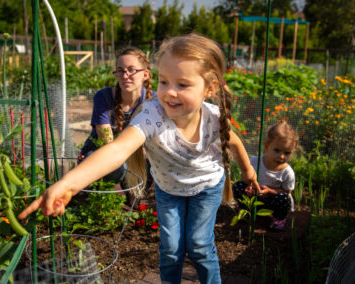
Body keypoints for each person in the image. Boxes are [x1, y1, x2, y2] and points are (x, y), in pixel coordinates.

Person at [19, 33, 260, 284]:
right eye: (164, 82)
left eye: (183, 84)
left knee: (199, 245)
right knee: (171, 250)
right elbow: (116, 150)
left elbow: (234, 143)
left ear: (209, 88)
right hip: (168, 189)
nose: (169, 92)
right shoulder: (152, 115)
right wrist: (67, 184)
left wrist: (248, 173)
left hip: (206, 187)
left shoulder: (213, 118)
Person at [78, 46, 155, 186]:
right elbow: (107, 143)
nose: (125, 76)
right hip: (100, 154)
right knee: (117, 168)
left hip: (138, 157)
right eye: (120, 70)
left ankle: (137, 201)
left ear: (145, 75)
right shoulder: (104, 98)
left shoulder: (154, 101)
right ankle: (104, 195)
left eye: (131, 70)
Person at [232, 121, 298, 231]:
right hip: (254, 198)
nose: (281, 156)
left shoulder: (287, 172)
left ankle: (278, 218)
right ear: (267, 146)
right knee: (238, 186)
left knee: (284, 199)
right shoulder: (254, 161)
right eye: (277, 150)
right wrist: (249, 187)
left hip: (271, 202)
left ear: (293, 152)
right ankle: (245, 210)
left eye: (287, 153)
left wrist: (270, 190)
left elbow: (287, 191)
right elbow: (245, 178)